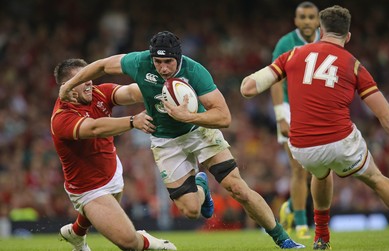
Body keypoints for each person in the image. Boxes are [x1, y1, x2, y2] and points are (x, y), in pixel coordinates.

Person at [59, 31, 305, 249]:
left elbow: (224, 117)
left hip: (199, 131)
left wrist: (188, 116)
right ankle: (201, 186)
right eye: (158, 62)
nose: (163, 68)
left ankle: (283, 239)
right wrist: (70, 83)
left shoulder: (195, 72)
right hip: (166, 142)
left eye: (168, 62)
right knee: (191, 211)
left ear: (178, 57)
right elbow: (101, 65)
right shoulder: (139, 62)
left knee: (237, 188)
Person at [241, 5, 389, 250]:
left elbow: (248, 88)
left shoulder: (292, 54)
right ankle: (322, 233)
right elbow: (388, 119)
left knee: (320, 172)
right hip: (340, 142)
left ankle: (322, 237)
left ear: (320, 29)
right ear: (347, 36)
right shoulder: (354, 65)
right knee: (376, 179)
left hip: (303, 148)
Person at [51, 58, 177, 251]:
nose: (89, 82)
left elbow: (131, 92)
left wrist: (164, 89)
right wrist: (133, 121)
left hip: (112, 171)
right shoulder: (61, 116)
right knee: (129, 242)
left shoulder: (99, 93)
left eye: (89, 76)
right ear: (67, 87)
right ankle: (151, 242)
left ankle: (76, 233)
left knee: (103, 218)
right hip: (89, 190)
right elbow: (94, 128)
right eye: (81, 79)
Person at [270, 1, 320, 239]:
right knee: (298, 169)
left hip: (317, 110)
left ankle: (289, 208)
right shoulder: (285, 43)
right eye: (303, 17)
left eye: (312, 17)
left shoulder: (326, 41)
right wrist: (281, 117)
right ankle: (301, 224)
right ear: (296, 20)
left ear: (318, 20)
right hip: (291, 108)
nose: (308, 21)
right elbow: (276, 80)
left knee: (315, 169)